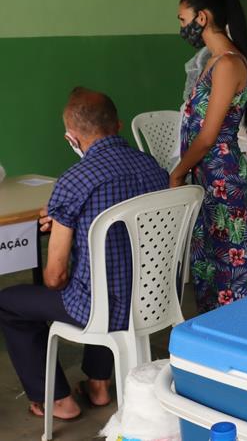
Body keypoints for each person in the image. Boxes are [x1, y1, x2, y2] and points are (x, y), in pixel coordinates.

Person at [0, 88, 167, 420]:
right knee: (110, 272)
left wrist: (65, 227)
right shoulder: (153, 168)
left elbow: (54, 278)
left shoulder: (74, 181)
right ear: (117, 124)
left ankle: (58, 400)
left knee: (10, 303)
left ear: (71, 137)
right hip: (154, 298)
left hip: (102, 309)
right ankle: (99, 384)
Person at [171, 0, 247, 312]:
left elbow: (209, 136)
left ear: (202, 17)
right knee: (209, 261)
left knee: (232, 263)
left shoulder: (227, 63)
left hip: (222, 177)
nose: (182, 28)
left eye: (184, 20)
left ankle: (244, 333)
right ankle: (214, 334)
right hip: (207, 176)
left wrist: (177, 173)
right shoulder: (212, 61)